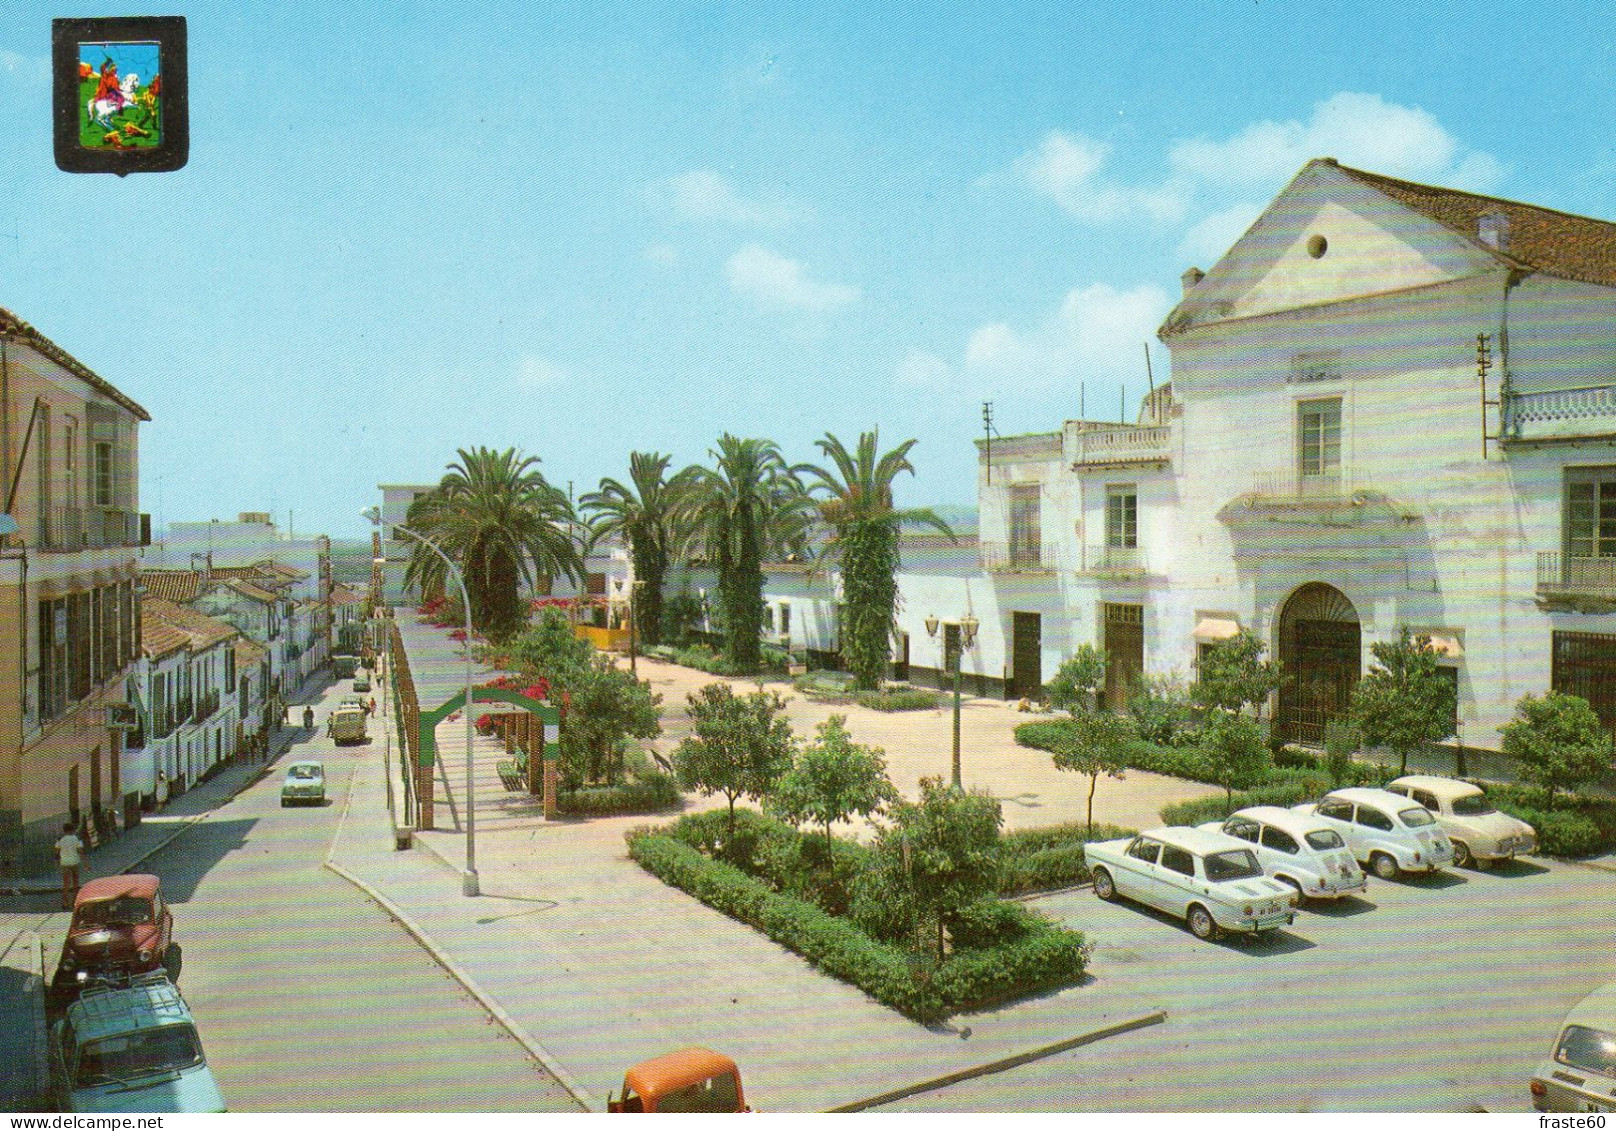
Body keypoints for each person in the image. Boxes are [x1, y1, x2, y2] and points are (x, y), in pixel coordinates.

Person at [55, 821, 84, 909]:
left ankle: (64, 902)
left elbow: (56, 852)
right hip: (74, 862)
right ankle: (74, 902)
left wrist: (56, 863)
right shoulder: (77, 838)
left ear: (64, 830)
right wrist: (86, 864)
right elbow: (81, 852)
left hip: (65, 863)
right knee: (75, 883)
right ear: (73, 830)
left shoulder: (60, 839)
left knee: (66, 884)